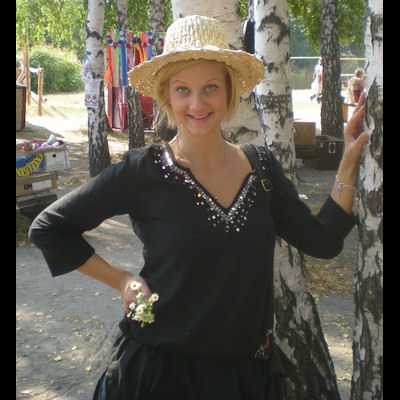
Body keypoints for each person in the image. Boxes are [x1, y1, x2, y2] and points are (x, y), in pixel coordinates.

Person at [29, 15, 369, 400]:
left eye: (210, 87)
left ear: (229, 92)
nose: (197, 103)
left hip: (246, 381)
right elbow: (49, 228)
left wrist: (349, 162)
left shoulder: (262, 169)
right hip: (162, 380)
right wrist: (122, 280)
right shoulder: (143, 171)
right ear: (167, 96)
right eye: (182, 90)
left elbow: (323, 241)